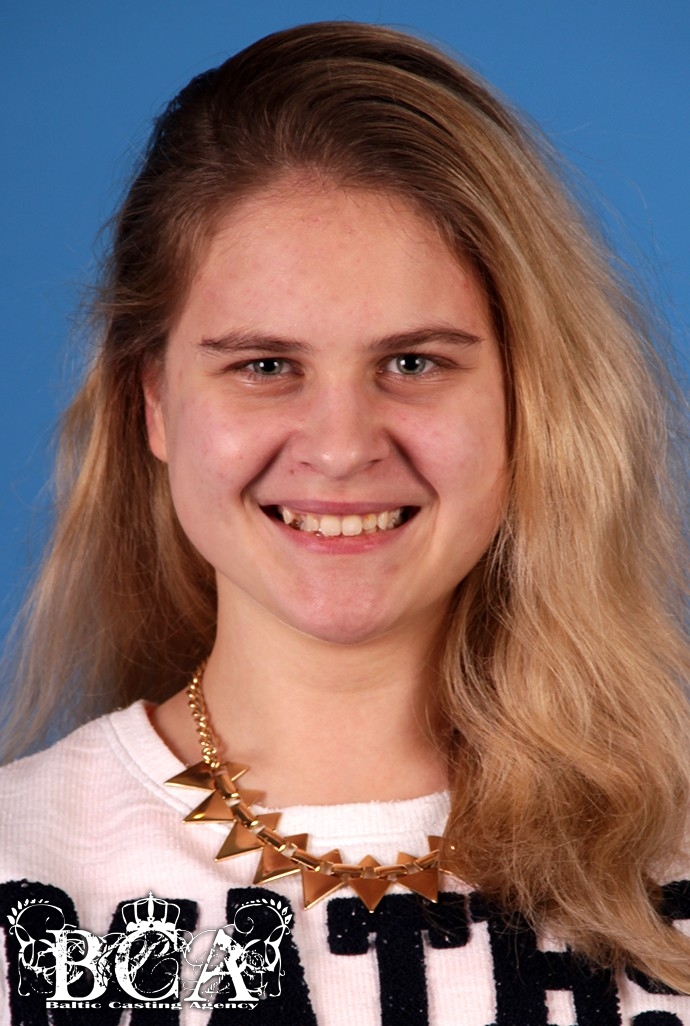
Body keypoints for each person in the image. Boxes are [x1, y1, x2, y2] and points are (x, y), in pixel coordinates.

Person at [1, 20, 689, 1026]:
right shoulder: (23, 863)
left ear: (527, 397)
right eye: (264, 365)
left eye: (413, 362)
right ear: (154, 402)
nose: (339, 448)